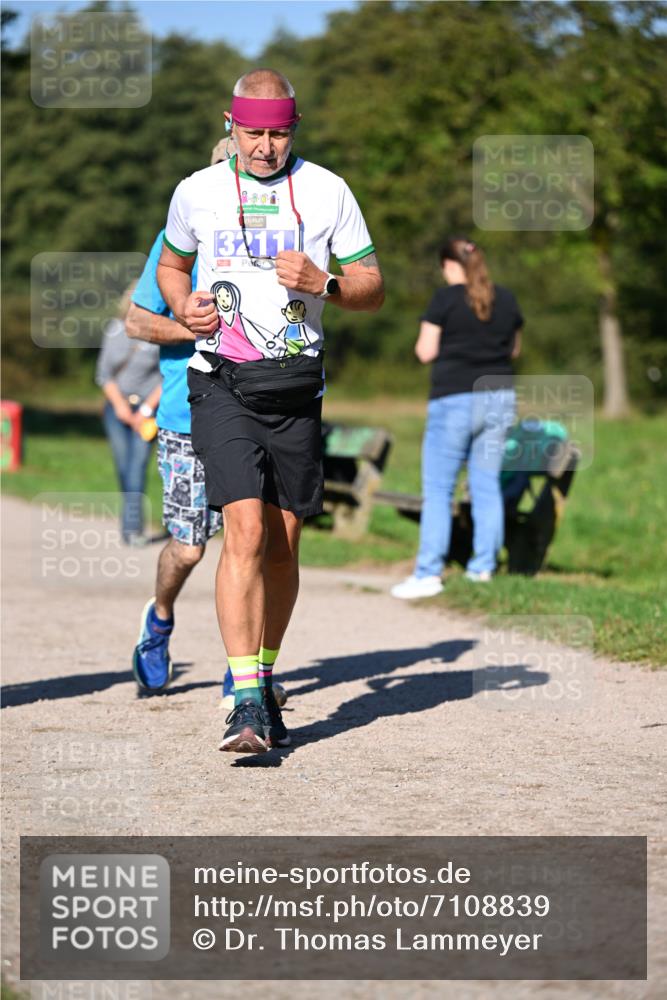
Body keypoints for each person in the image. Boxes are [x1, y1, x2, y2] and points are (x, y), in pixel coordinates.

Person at [157, 68, 384, 753]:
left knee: (284, 546)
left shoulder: (327, 191)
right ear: (231, 126)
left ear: (294, 129)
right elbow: (172, 266)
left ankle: (263, 672)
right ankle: (245, 701)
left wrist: (328, 284)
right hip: (219, 381)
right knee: (245, 531)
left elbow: (372, 287)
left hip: (295, 389)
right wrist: (182, 305)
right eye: (252, 132)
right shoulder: (195, 192)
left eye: (277, 132)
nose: (264, 146)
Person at [126, 139, 236, 700]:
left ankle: (244, 670)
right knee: (190, 547)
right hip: (183, 413)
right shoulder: (175, 243)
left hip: (251, 412)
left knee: (248, 543)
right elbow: (136, 322)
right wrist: (190, 329)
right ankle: (161, 619)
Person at [391, 237, 522, 600]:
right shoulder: (506, 298)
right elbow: (514, 348)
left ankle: (429, 573)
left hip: (455, 399)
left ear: (448, 265)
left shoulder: (444, 300)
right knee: (486, 485)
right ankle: (483, 569)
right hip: (499, 398)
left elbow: (425, 351)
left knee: (438, 490)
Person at [95, 288, 161, 546]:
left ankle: (131, 530)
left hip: (148, 411)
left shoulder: (160, 333)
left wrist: (144, 410)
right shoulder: (114, 330)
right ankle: (131, 520)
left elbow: (168, 375)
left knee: (137, 466)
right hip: (116, 409)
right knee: (124, 467)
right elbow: (104, 374)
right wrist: (121, 407)